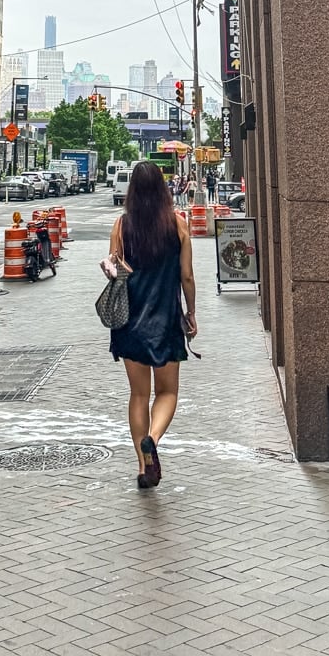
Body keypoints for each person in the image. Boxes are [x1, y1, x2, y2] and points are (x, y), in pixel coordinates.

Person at [103, 159, 196, 488]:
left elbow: (114, 270)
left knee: (138, 395)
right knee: (168, 392)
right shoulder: (178, 224)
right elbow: (186, 276)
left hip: (129, 322)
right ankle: (153, 439)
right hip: (166, 319)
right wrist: (191, 313)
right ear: (162, 189)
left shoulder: (121, 225)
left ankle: (144, 467)